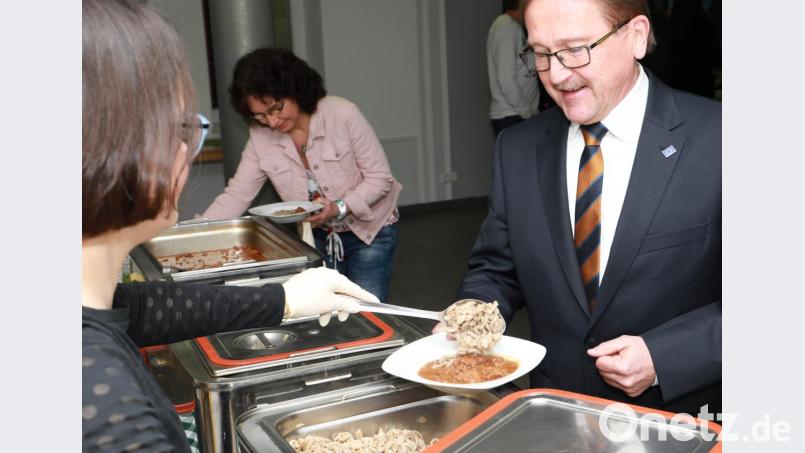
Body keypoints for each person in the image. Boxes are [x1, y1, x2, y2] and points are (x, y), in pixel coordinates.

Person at [82, 1, 378, 451]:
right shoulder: (111, 415)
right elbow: (237, 195)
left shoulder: (98, 313)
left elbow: (142, 308)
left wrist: (286, 298)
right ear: (122, 147)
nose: (188, 151)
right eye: (184, 129)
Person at [448, 0, 721, 416]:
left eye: (576, 49)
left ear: (636, 36)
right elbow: (496, 270)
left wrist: (665, 357)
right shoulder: (518, 149)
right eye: (540, 53)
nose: (556, 75)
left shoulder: (722, 139)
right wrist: (468, 317)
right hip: (555, 415)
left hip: (679, 421)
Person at [203, 48, 402, 302]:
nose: (272, 121)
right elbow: (237, 194)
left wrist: (339, 207)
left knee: (367, 308)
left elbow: (380, 178)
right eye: (261, 115)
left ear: (296, 89)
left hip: (370, 231)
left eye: (277, 108)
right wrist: (193, 232)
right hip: (316, 236)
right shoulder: (260, 137)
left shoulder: (342, 115)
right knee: (326, 308)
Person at [487, 0, 540, 137]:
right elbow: (505, 78)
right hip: (511, 116)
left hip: (519, 115)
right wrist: (526, 112)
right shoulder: (505, 26)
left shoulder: (516, 27)